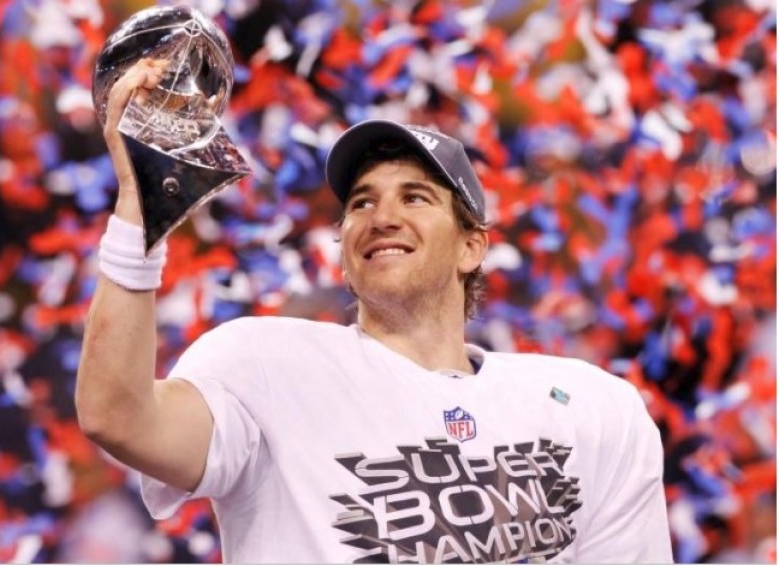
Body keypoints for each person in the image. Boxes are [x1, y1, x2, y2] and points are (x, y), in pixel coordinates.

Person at [75, 58, 673, 563]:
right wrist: (141, 214)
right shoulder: (266, 366)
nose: (382, 216)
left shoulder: (595, 410)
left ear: (472, 247)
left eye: (415, 197)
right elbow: (119, 417)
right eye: (361, 203)